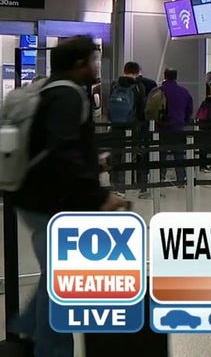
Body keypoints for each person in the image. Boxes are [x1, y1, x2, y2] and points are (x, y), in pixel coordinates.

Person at [11, 36, 126, 357]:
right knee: (60, 281)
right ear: (79, 64)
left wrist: (93, 161)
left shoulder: (52, 90)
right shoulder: (68, 95)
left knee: (56, 273)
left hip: (38, 197)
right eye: (92, 60)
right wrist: (99, 196)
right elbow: (63, 152)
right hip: (51, 203)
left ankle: (27, 329)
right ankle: (51, 350)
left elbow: (57, 146)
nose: (95, 66)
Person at [108, 61, 147, 196]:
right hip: (133, 126)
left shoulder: (114, 85)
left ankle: (116, 184)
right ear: (136, 72)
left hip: (115, 125)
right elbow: (141, 109)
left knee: (116, 154)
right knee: (137, 153)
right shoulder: (138, 87)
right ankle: (139, 184)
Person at [158, 68, 194, 187]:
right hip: (178, 127)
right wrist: (185, 121)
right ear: (176, 77)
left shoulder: (158, 91)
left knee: (161, 154)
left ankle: (160, 177)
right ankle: (180, 179)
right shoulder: (184, 92)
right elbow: (189, 109)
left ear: (165, 76)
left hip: (161, 127)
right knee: (179, 154)